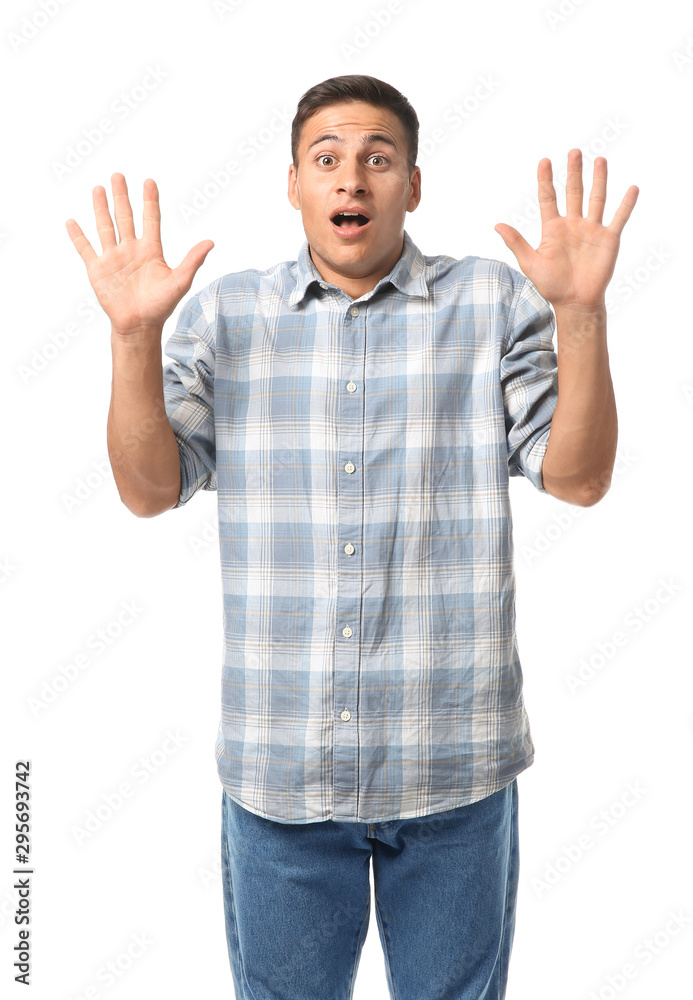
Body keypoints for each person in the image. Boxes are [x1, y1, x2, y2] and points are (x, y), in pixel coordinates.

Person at [66, 74, 638, 1000]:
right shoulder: (226, 316)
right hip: (280, 769)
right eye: (326, 159)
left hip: (452, 763)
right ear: (292, 184)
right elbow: (147, 489)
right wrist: (135, 337)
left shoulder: (489, 304)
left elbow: (578, 477)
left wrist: (580, 314)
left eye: (378, 159)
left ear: (413, 185)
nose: (352, 180)